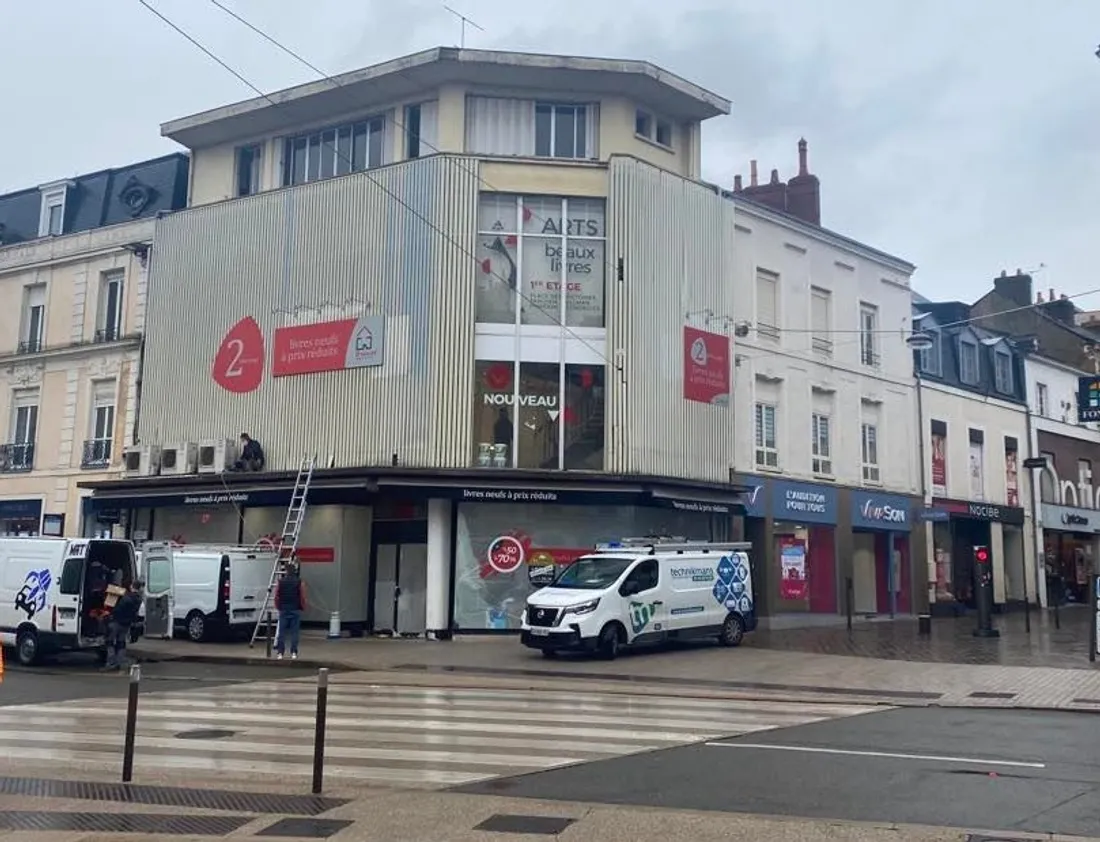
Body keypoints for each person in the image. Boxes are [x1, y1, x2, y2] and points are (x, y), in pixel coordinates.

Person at [102, 579, 144, 671]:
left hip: (116, 622)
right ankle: (119, 662)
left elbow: (117, 609)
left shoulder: (126, 598)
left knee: (110, 642)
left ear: (131, 586)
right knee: (121, 643)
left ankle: (111, 663)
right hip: (126, 624)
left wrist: (109, 614)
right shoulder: (138, 599)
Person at [274, 562, 306, 660]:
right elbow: (302, 596)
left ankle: (280, 652)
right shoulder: (299, 582)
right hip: (295, 608)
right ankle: (293, 652)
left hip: (283, 608)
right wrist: (303, 607)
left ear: (286, 571)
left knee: (281, 632)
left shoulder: (281, 581)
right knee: (294, 632)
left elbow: (276, 595)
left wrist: (278, 606)